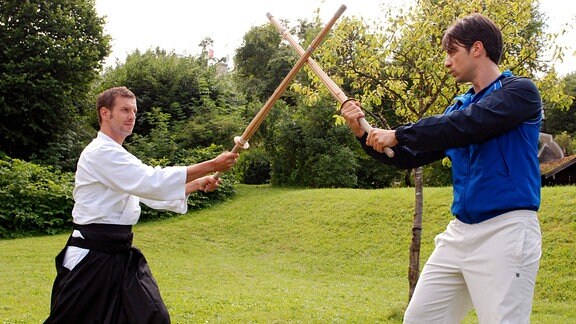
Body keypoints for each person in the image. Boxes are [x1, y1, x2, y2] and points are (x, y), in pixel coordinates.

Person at [341, 13, 542, 324]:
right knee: (421, 319)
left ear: (477, 48)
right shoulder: (458, 108)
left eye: (452, 52)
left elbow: (469, 125)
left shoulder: (520, 93)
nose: (447, 63)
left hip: (507, 230)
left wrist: (399, 131)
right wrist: (362, 134)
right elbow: (406, 156)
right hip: (460, 233)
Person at [45, 86, 239, 323]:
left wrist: (195, 184)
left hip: (120, 255)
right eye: (125, 110)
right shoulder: (100, 152)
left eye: (134, 111)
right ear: (105, 113)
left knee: (152, 316)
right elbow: (150, 180)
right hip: (92, 255)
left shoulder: (117, 153)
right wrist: (211, 164)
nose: (132, 116)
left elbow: (144, 191)